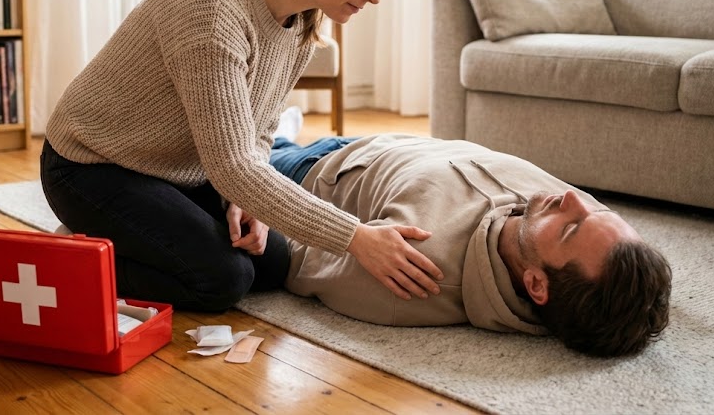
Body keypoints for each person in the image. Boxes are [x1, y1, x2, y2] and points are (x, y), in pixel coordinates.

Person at [40, 0, 445, 313]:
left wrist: (240, 199)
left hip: (173, 168)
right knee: (223, 279)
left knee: (270, 265)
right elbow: (233, 164)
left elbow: (258, 130)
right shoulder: (212, 9)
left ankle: (120, 239)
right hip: (90, 166)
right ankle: (72, 256)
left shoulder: (303, 21)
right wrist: (358, 238)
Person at [269, 127, 672, 357]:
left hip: (317, 170)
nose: (573, 199)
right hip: (389, 139)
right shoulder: (566, 215)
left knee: (245, 144)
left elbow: (296, 255)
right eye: (598, 212)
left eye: (571, 227)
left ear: (535, 284)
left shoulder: (415, 274)